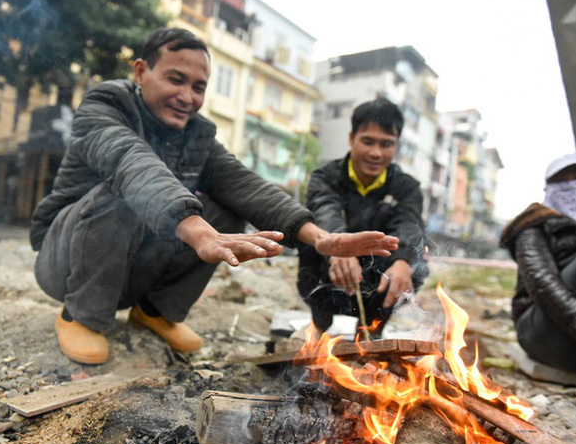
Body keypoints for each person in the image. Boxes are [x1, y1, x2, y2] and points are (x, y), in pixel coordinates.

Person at [30, 27, 398, 365]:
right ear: (141, 71)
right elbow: (132, 163)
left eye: (199, 87)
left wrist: (321, 238)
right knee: (124, 194)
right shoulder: (103, 108)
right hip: (66, 259)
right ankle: (80, 314)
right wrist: (196, 231)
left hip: (131, 268)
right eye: (176, 80)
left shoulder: (197, 135)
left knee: (224, 212)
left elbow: (244, 184)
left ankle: (155, 311)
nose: (187, 97)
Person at [297, 97, 428, 337]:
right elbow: (325, 210)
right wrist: (338, 248)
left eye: (387, 144)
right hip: (333, 272)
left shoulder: (406, 187)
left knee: (415, 261)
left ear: (396, 145)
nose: (376, 153)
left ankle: (372, 329)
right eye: (368, 142)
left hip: (376, 276)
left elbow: (408, 223)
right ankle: (321, 323)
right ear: (351, 138)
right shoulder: (325, 177)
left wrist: (403, 262)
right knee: (310, 244)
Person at [499, 152, 576, 408]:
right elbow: (546, 289)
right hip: (544, 333)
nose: (573, 187)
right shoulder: (532, 226)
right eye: (564, 182)